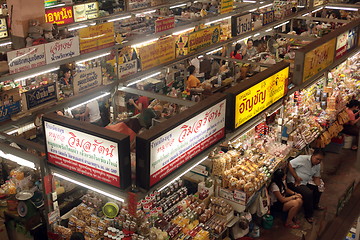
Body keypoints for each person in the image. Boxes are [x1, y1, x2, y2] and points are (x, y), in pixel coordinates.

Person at [287, 149, 326, 223]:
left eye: (320, 160)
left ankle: (315, 205)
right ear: (313, 155)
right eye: (317, 159)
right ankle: (309, 215)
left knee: (318, 189)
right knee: (308, 193)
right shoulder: (302, 159)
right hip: (294, 182)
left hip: (305, 181)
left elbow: (316, 177)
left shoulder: (317, 165)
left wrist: (319, 185)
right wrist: (296, 177)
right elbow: (290, 164)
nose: (318, 161)